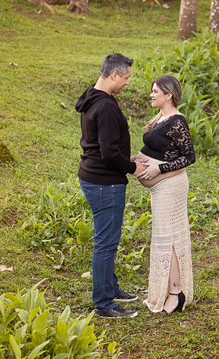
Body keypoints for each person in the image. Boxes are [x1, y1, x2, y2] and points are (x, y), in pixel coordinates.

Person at [76, 52, 147, 319]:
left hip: (95, 177)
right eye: (126, 77)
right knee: (106, 243)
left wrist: (125, 158)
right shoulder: (104, 106)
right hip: (105, 183)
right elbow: (107, 152)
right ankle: (104, 304)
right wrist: (132, 167)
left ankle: (111, 288)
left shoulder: (94, 96)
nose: (128, 82)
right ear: (114, 75)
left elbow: (102, 145)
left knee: (108, 240)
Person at [134, 74, 196, 314]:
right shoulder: (161, 118)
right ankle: (172, 291)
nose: (151, 94)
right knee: (164, 237)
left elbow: (189, 157)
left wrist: (158, 168)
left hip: (171, 188)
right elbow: (157, 149)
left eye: (156, 91)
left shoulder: (177, 121)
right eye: (151, 90)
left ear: (168, 95)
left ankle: (175, 294)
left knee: (168, 239)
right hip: (161, 189)